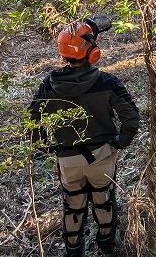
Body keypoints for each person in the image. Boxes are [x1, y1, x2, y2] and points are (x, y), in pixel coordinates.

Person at [28, 17, 139, 257]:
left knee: (73, 205)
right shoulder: (107, 82)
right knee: (103, 200)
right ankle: (107, 247)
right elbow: (131, 117)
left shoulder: (49, 85)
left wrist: (44, 147)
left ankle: (74, 251)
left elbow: (33, 120)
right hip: (101, 156)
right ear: (92, 52)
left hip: (68, 160)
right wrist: (121, 141)